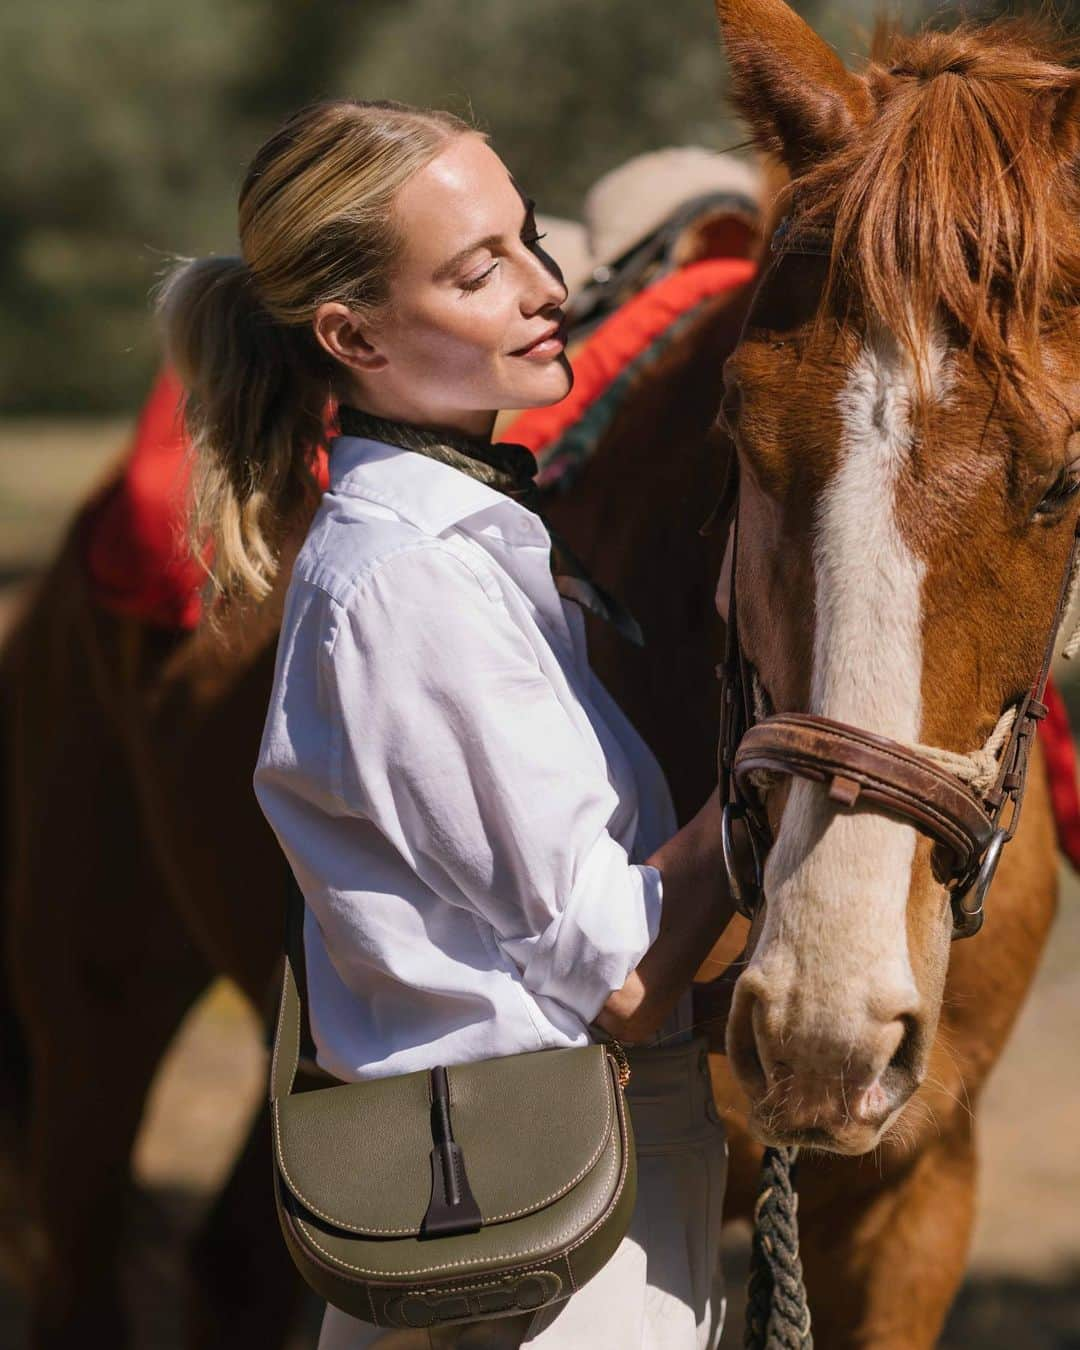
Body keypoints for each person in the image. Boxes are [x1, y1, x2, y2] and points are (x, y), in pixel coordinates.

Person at [155, 98, 736, 1350]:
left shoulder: (458, 547)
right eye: (480, 270)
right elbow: (624, 975)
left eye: (529, 237)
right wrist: (791, 772)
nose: (545, 285)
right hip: (542, 1263)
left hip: (560, 1206)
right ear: (350, 333)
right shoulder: (405, 583)